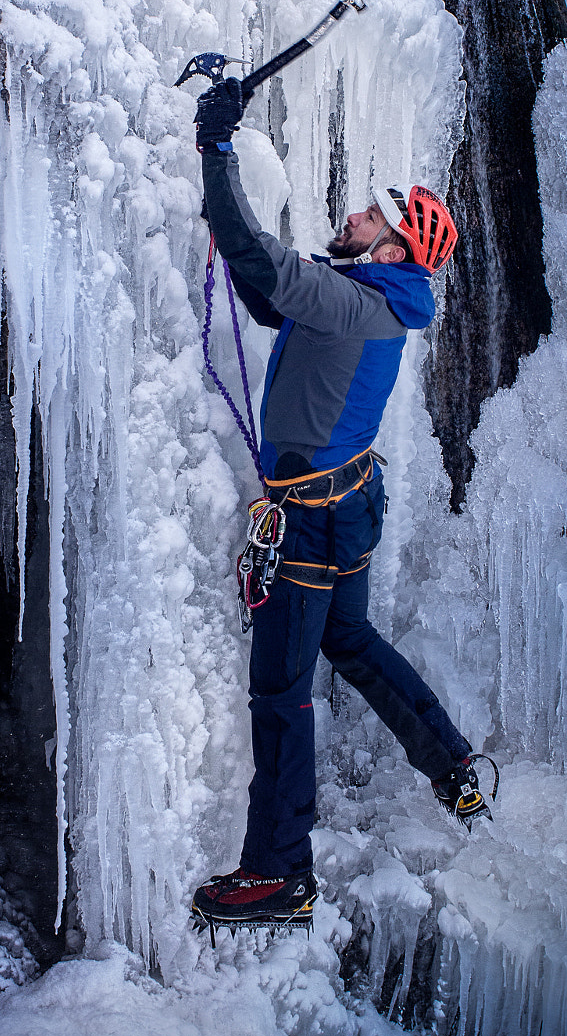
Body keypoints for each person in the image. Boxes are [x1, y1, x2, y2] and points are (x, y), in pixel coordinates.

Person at [190, 77, 490, 935]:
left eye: (370, 218)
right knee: (350, 640)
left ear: (393, 250)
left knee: (281, 689)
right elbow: (269, 291)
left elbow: (259, 260)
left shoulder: (357, 302)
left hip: (314, 519)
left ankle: (280, 873)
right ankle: (451, 763)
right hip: (352, 503)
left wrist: (215, 148)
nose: (354, 218)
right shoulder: (375, 299)